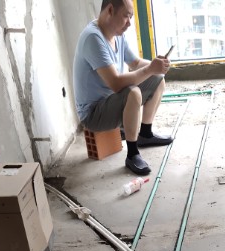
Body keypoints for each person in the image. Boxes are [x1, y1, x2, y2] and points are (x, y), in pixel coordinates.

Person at [73, 0, 173, 176]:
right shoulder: (93, 38)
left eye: (131, 17)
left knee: (157, 78)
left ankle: (145, 134)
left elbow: (135, 63)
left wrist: (157, 66)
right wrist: (150, 69)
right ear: (110, 10)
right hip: (93, 113)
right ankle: (132, 154)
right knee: (132, 93)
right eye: (126, 16)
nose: (129, 23)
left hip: (112, 99)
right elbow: (116, 83)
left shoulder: (117, 34)